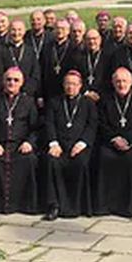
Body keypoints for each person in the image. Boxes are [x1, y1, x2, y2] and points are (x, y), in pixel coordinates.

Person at [0, 67, 41, 214]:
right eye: (8, 79)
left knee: (29, 160)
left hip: (20, 145)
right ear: (3, 81)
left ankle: (25, 205)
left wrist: (29, 142)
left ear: (22, 83)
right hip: (0, 144)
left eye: (16, 80)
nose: (11, 83)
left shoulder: (28, 102)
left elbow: (37, 128)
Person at [42, 70, 97, 220]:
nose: (70, 87)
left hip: (79, 146)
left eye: (74, 84)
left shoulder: (88, 103)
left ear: (80, 86)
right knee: (52, 161)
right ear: (63, 85)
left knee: (81, 162)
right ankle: (54, 205)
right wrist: (53, 143)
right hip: (59, 146)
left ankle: (77, 206)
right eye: (67, 84)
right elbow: (49, 123)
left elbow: (92, 126)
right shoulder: (55, 102)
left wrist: (82, 143)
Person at [94, 68, 132, 217]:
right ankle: (104, 206)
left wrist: (128, 140)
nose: (121, 84)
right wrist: (114, 138)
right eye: (118, 81)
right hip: (111, 141)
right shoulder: (106, 100)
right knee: (104, 157)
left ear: (131, 82)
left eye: (124, 81)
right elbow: (101, 123)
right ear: (112, 83)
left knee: (131, 159)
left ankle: (128, 207)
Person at [1, 19, 42, 99]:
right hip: (6, 94)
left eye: (19, 30)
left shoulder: (30, 51)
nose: (16, 33)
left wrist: (26, 91)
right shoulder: (1, 50)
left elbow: (35, 74)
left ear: (24, 32)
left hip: (26, 95)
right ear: (9, 31)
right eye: (13, 30)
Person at [40, 19, 75, 99]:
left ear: (68, 31)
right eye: (57, 28)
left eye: (63, 29)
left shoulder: (73, 48)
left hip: (66, 89)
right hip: (48, 89)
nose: (59, 31)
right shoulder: (47, 47)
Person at [71, 28, 110, 97]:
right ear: (84, 40)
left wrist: (99, 93)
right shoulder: (78, 57)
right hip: (83, 96)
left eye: (94, 39)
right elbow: (75, 77)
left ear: (100, 39)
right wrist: (86, 92)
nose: (92, 41)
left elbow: (109, 78)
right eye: (88, 39)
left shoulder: (108, 57)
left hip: (103, 95)